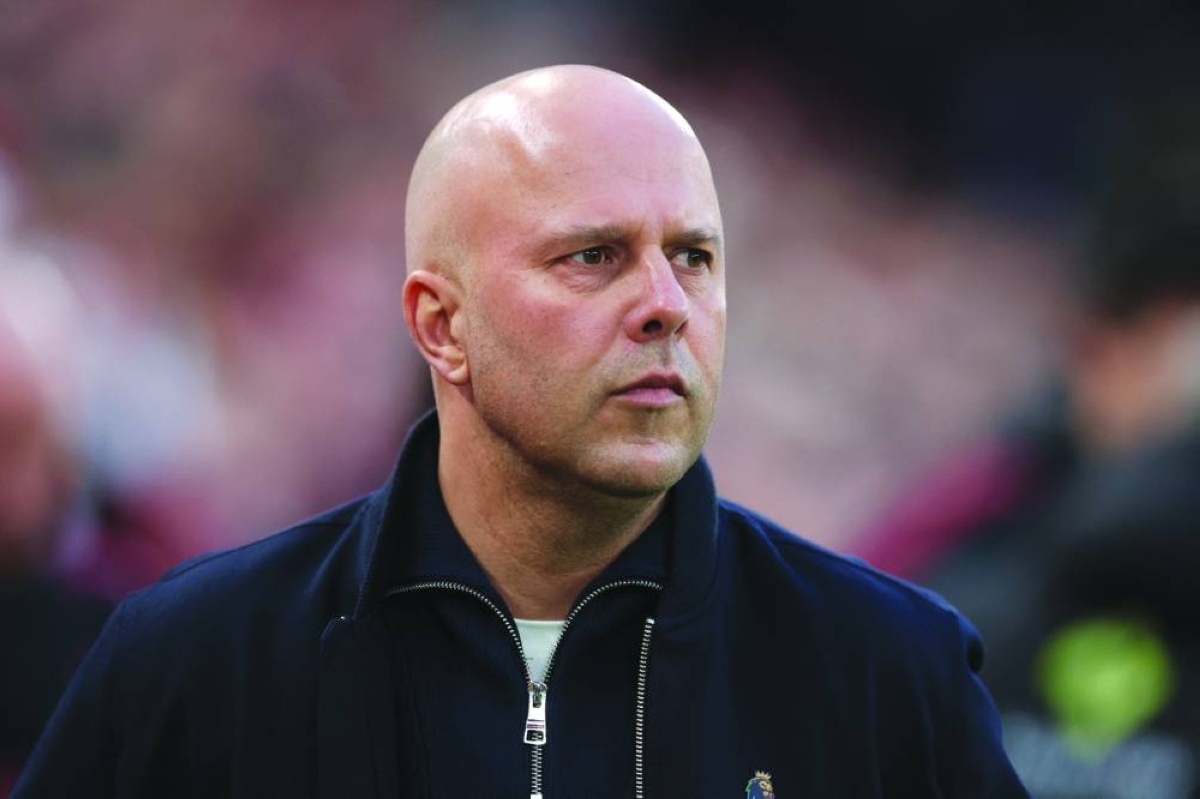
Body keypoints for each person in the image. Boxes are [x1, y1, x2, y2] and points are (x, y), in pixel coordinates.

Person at [14, 65, 1027, 798]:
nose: (667, 303)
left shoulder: (891, 670)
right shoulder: (198, 660)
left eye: (696, 257)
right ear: (440, 325)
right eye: (593, 256)